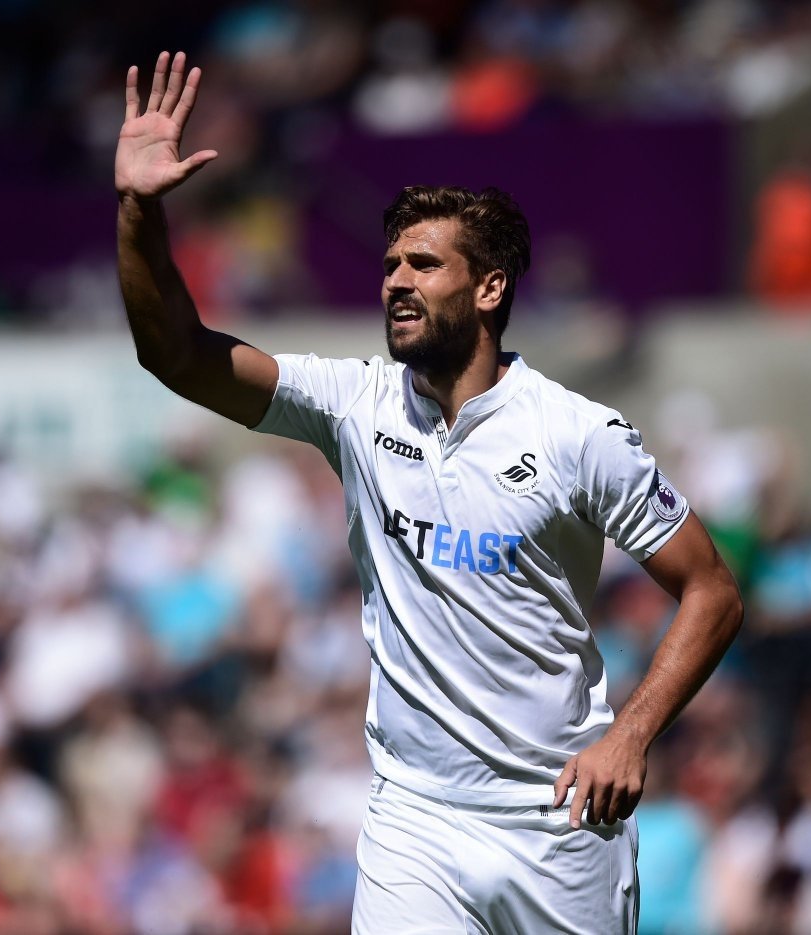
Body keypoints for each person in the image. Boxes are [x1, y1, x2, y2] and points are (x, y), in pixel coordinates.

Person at [116, 51, 743, 934]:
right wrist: (139, 209)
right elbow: (176, 354)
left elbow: (712, 588)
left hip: (557, 822)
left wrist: (630, 733)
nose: (395, 282)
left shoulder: (577, 435)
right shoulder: (353, 404)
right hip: (416, 818)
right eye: (389, 265)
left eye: (423, 264)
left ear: (489, 289)